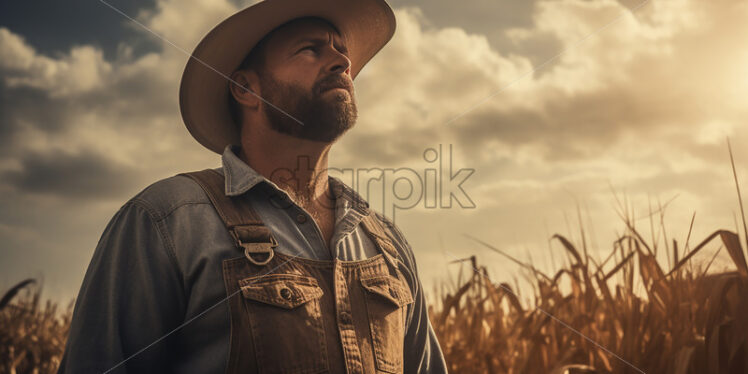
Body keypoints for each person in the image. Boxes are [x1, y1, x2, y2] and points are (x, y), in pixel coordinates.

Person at [58, 0, 449, 373]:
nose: (343, 62)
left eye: (341, 52)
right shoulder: (167, 222)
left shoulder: (388, 244)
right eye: (310, 50)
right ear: (245, 89)